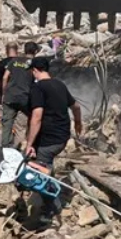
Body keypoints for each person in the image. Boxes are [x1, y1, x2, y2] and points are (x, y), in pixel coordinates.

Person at [24, 56, 83, 224]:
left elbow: (37, 116)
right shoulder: (59, 84)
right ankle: (53, 195)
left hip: (49, 139)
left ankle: (50, 210)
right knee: (46, 166)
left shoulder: (38, 88)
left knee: (40, 174)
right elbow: (76, 106)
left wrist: (29, 144)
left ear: (34, 70)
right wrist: (78, 123)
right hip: (62, 137)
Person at [0, 42, 39, 148]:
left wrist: (3, 93)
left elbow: (5, 77)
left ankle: (5, 148)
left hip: (10, 96)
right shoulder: (34, 63)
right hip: (25, 98)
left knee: (7, 123)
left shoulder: (14, 60)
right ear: (36, 51)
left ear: (24, 50)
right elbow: (37, 80)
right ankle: (26, 145)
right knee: (31, 120)